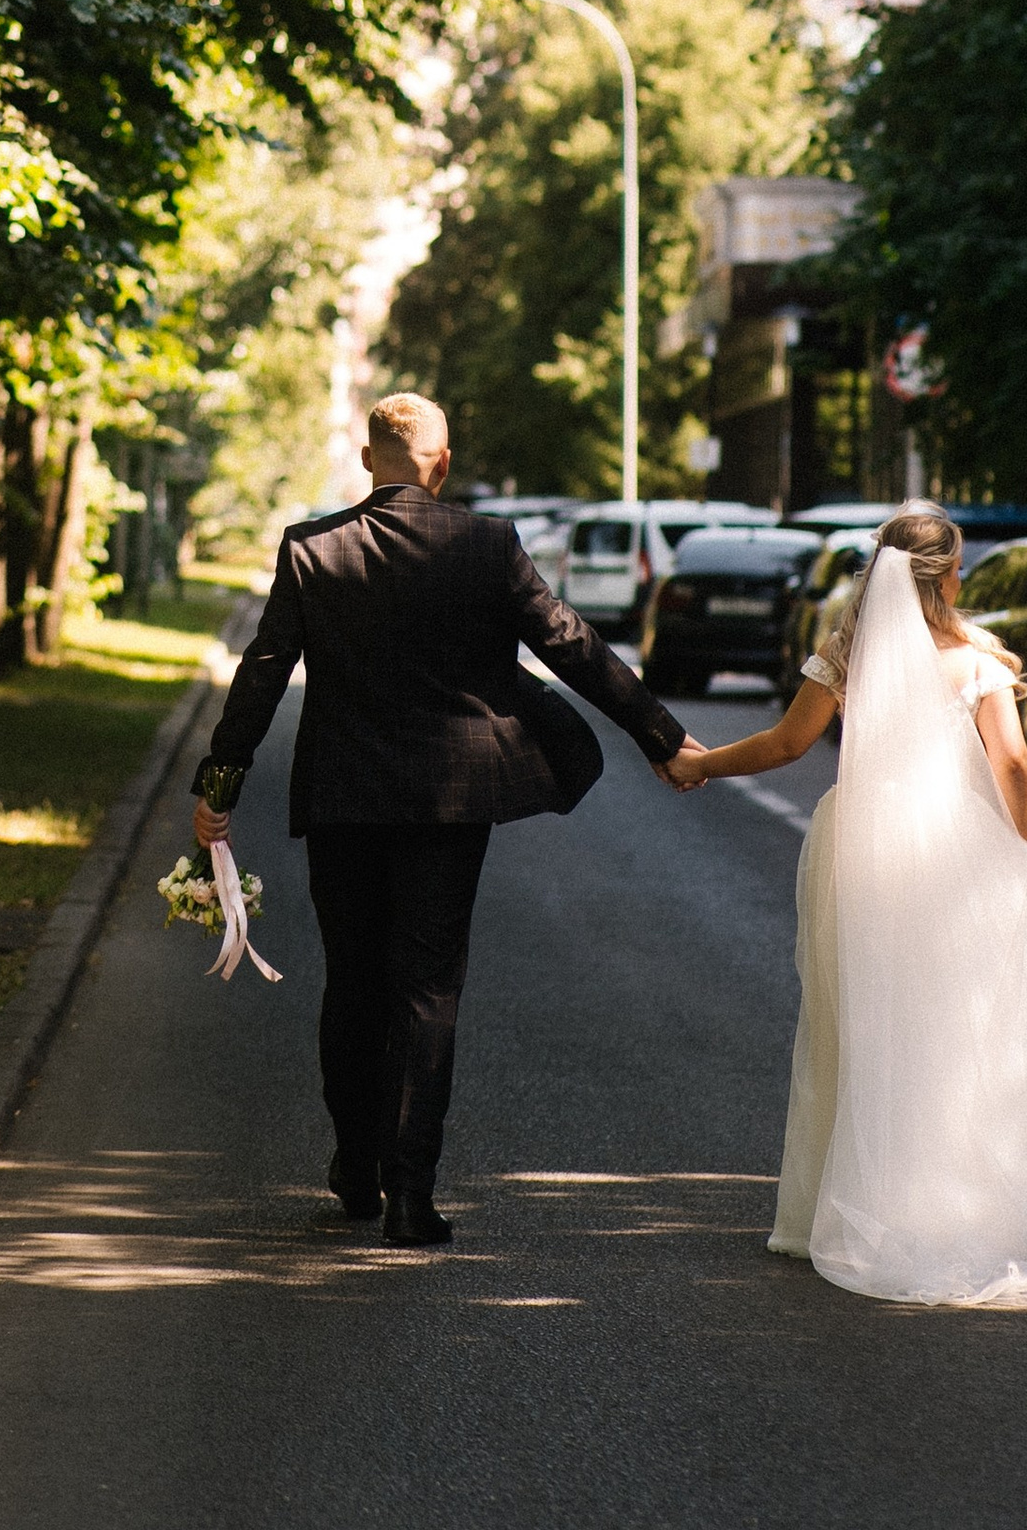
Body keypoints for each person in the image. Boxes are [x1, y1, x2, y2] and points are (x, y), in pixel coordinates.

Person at [192, 392, 691, 1247]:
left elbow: (263, 671)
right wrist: (663, 736)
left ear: (365, 459)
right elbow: (571, 642)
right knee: (427, 989)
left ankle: (355, 1166)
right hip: (450, 803)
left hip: (344, 800)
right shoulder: (487, 546)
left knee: (352, 983)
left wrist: (220, 786)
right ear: (444, 463)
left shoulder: (312, 548)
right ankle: (410, 1194)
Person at [673, 504, 1027, 1311]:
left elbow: (783, 745)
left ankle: (851, 1205)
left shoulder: (846, 654)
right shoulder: (976, 658)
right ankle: (979, 1196)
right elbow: (1013, 762)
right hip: (955, 845)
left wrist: (702, 764)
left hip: (865, 847)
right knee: (969, 1026)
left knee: (864, 1023)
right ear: (947, 574)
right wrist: (1013, 850)